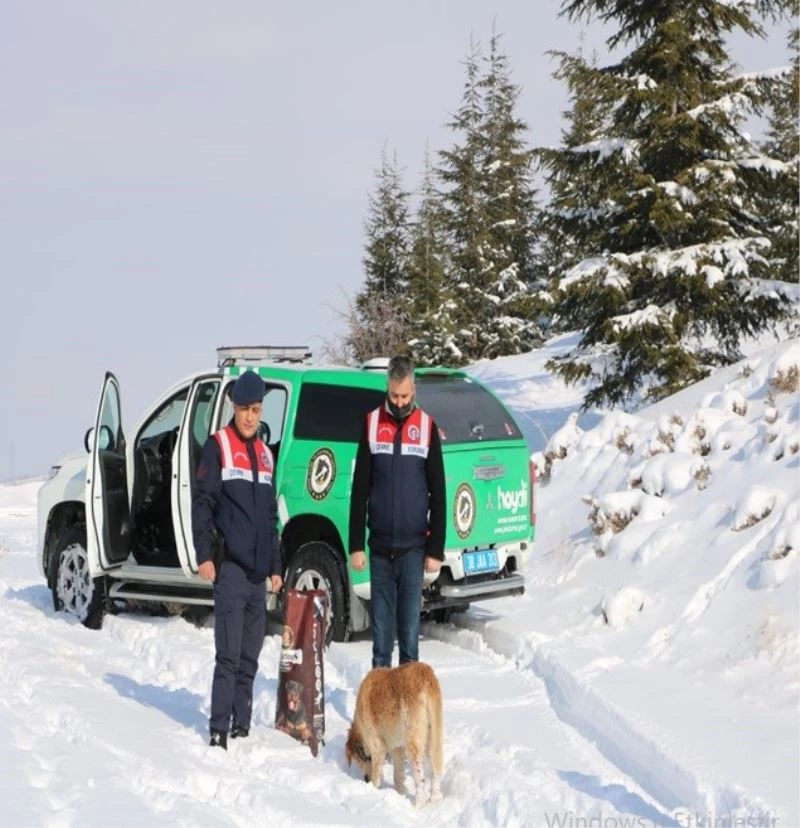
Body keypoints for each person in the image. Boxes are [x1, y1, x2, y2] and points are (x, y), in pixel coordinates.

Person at [192, 370, 283, 749]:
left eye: (256, 409)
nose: (250, 416)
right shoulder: (218, 446)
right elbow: (203, 504)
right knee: (227, 655)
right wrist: (203, 554)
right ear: (234, 407)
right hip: (229, 567)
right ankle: (218, 729)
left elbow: (270, 518)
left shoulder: (265, 454)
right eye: (245, 409)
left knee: (249, 656)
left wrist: (277, 566)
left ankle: (242, 724)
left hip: (258, 573)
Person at [348, 355, 446, 668]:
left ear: (413, 389)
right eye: (394, 396)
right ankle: (380, 713)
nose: (400, 402)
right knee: (380, 641)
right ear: (387, 389)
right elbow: (360, 487)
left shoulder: (427, 426)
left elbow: (439, 492)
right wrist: (354, 544)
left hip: (413, 551)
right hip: (379, 551)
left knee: (410, 640)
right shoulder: (372, 423)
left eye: (405, 396)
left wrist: (435, 549)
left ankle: (407, 714)